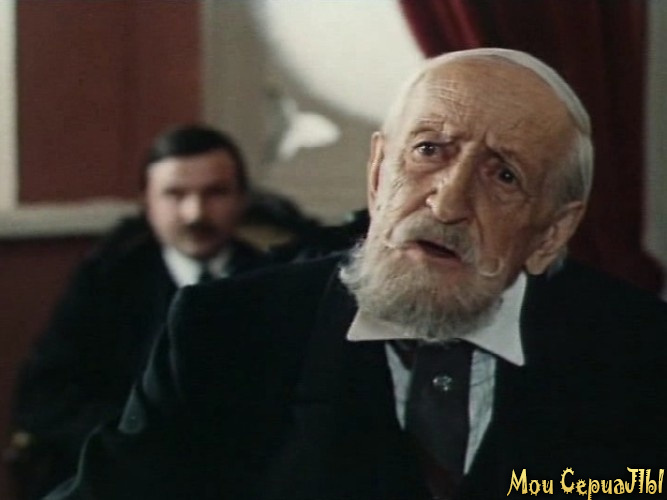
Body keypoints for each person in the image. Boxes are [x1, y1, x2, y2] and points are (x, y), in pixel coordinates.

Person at [47, 49, 667, 500]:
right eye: (429, 150)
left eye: (504, 175)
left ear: (552, 231)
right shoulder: (226, 333)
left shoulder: (639, 354)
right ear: (376, 173)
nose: (448, 203)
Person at [9, 124, 266, 499]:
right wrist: (133, 444)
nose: (195, 213)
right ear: (147, 202)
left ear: (242, 199)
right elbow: (45, 398)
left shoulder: (272, 279)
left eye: (215, 193)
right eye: (175, 194)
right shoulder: (107, 282)